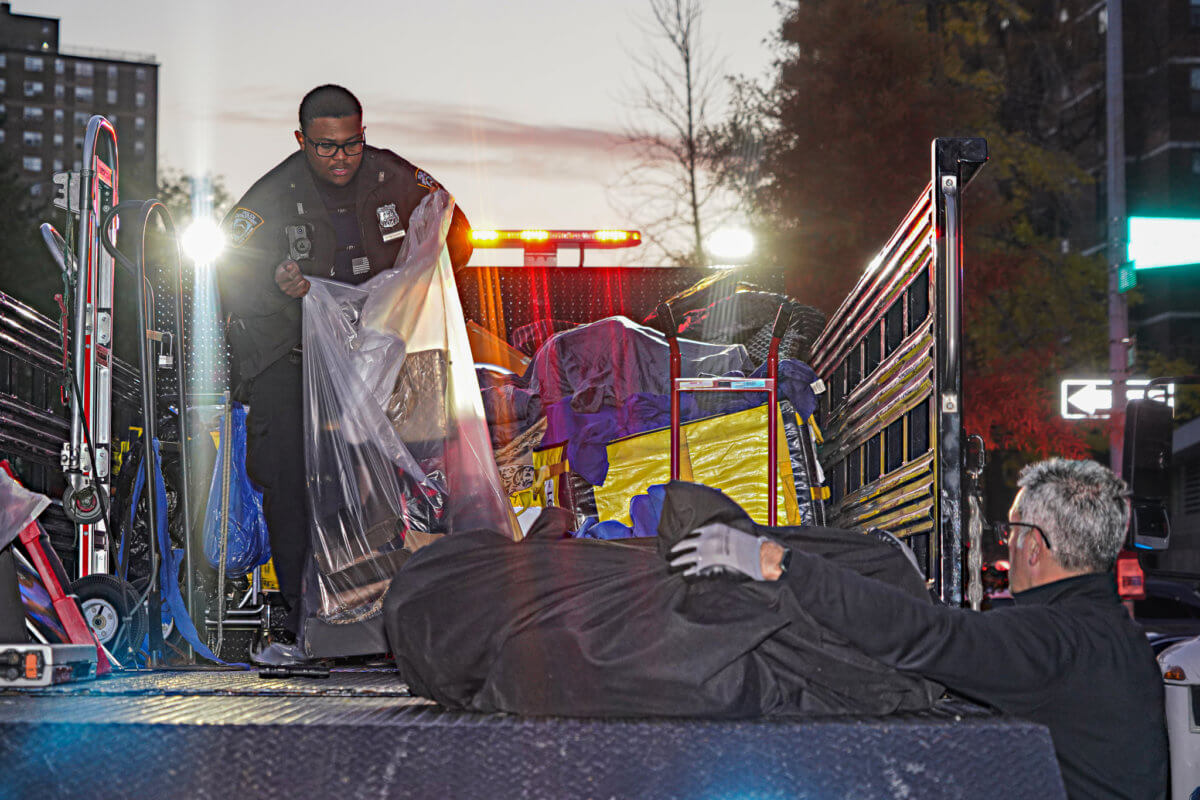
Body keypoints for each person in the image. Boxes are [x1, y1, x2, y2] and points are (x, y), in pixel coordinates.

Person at [670, 458, 1167, 800]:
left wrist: (784, 563)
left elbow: (928, 638)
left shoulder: (1054, 641)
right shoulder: (1117, 639)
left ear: (1033, 547)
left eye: (1009, 533)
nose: (1006, 545)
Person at [217, 84, 472, 660]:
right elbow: (228, 271)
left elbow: (457, 231)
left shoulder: (393, 177)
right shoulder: (273, 194)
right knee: (292, 483)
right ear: (302, 140)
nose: (341, 159)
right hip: (292, 361)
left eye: (352, 145)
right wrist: (276, 287)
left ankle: (385, 621)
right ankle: (300, 619)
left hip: (379, 362)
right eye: (326, 147)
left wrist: (407, 281)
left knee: (389, 485)